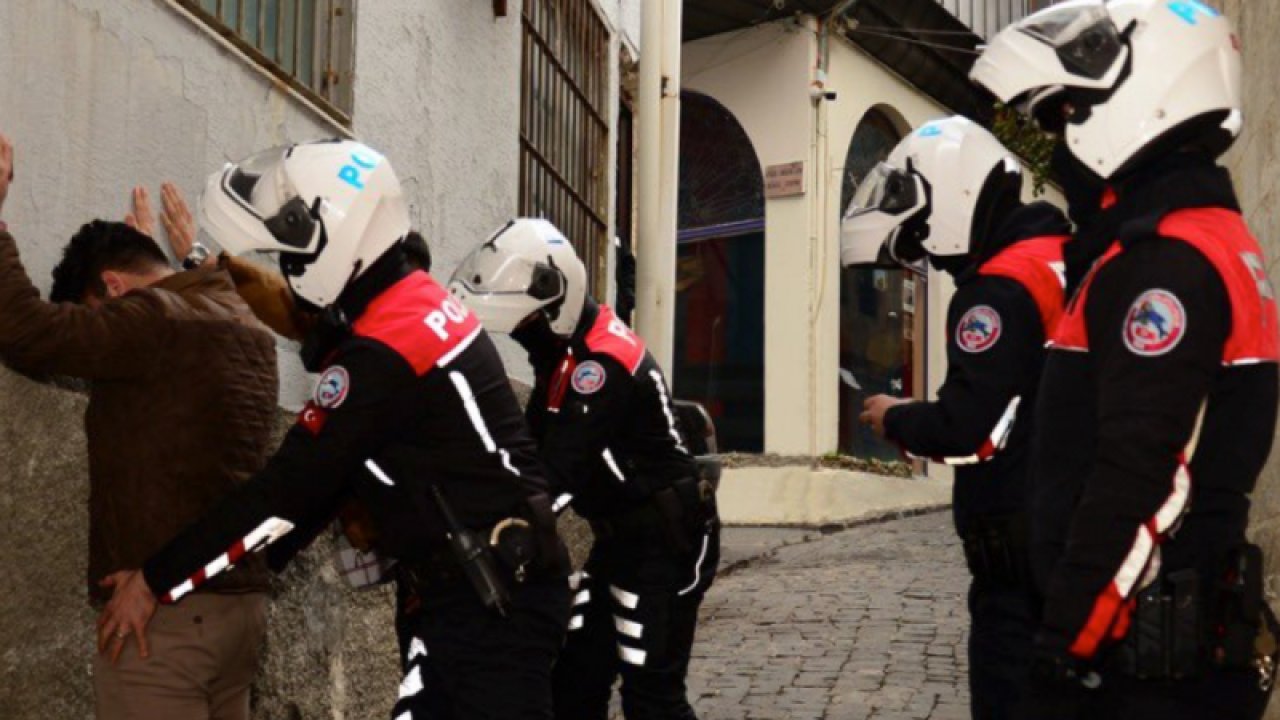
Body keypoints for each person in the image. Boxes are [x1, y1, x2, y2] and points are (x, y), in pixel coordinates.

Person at [95, 140, 572, 719]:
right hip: (492, 590)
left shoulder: (382, 353)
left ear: (335, 242)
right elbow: (329, 483)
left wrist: (155, 581)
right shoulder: (412, 303)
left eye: (292, 258)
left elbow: (286, 493)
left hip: (487, 604)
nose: (291, 277)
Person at [971, 2, 1279, 717]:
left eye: (1067, 112)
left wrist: (1067, 641)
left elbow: (1145, 475)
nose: (1059, 140)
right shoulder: (1195, 239)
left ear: (1145, 95)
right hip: (1162, 649)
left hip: (1136, 667)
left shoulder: (1163, 264)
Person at [0, 134, 278, 720]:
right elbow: (198, 296)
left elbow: (26, 332)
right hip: (238, 613)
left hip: (166, 622)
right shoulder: (242, 320)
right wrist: (188, 258)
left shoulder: (151, 323)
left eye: (98, 311)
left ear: (113, 288)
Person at [448, 218, 720, 720]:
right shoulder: (565, 356)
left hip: (668, 539)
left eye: (526, 323)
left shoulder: (600, 363)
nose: (521, 335)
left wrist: (493, 530)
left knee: (652, 693)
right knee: (574, 681)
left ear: (555, 303)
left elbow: (557, 475)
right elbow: (526, 451)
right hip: (621, 540)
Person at [849, 116, 1071, 719]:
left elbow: (970, 430)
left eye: (920, 226)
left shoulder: (995, 291)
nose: (922, 248)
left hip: (1019, 568)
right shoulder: (1057, 258)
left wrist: (897, 418)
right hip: (1069, 543)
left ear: (950, 193)